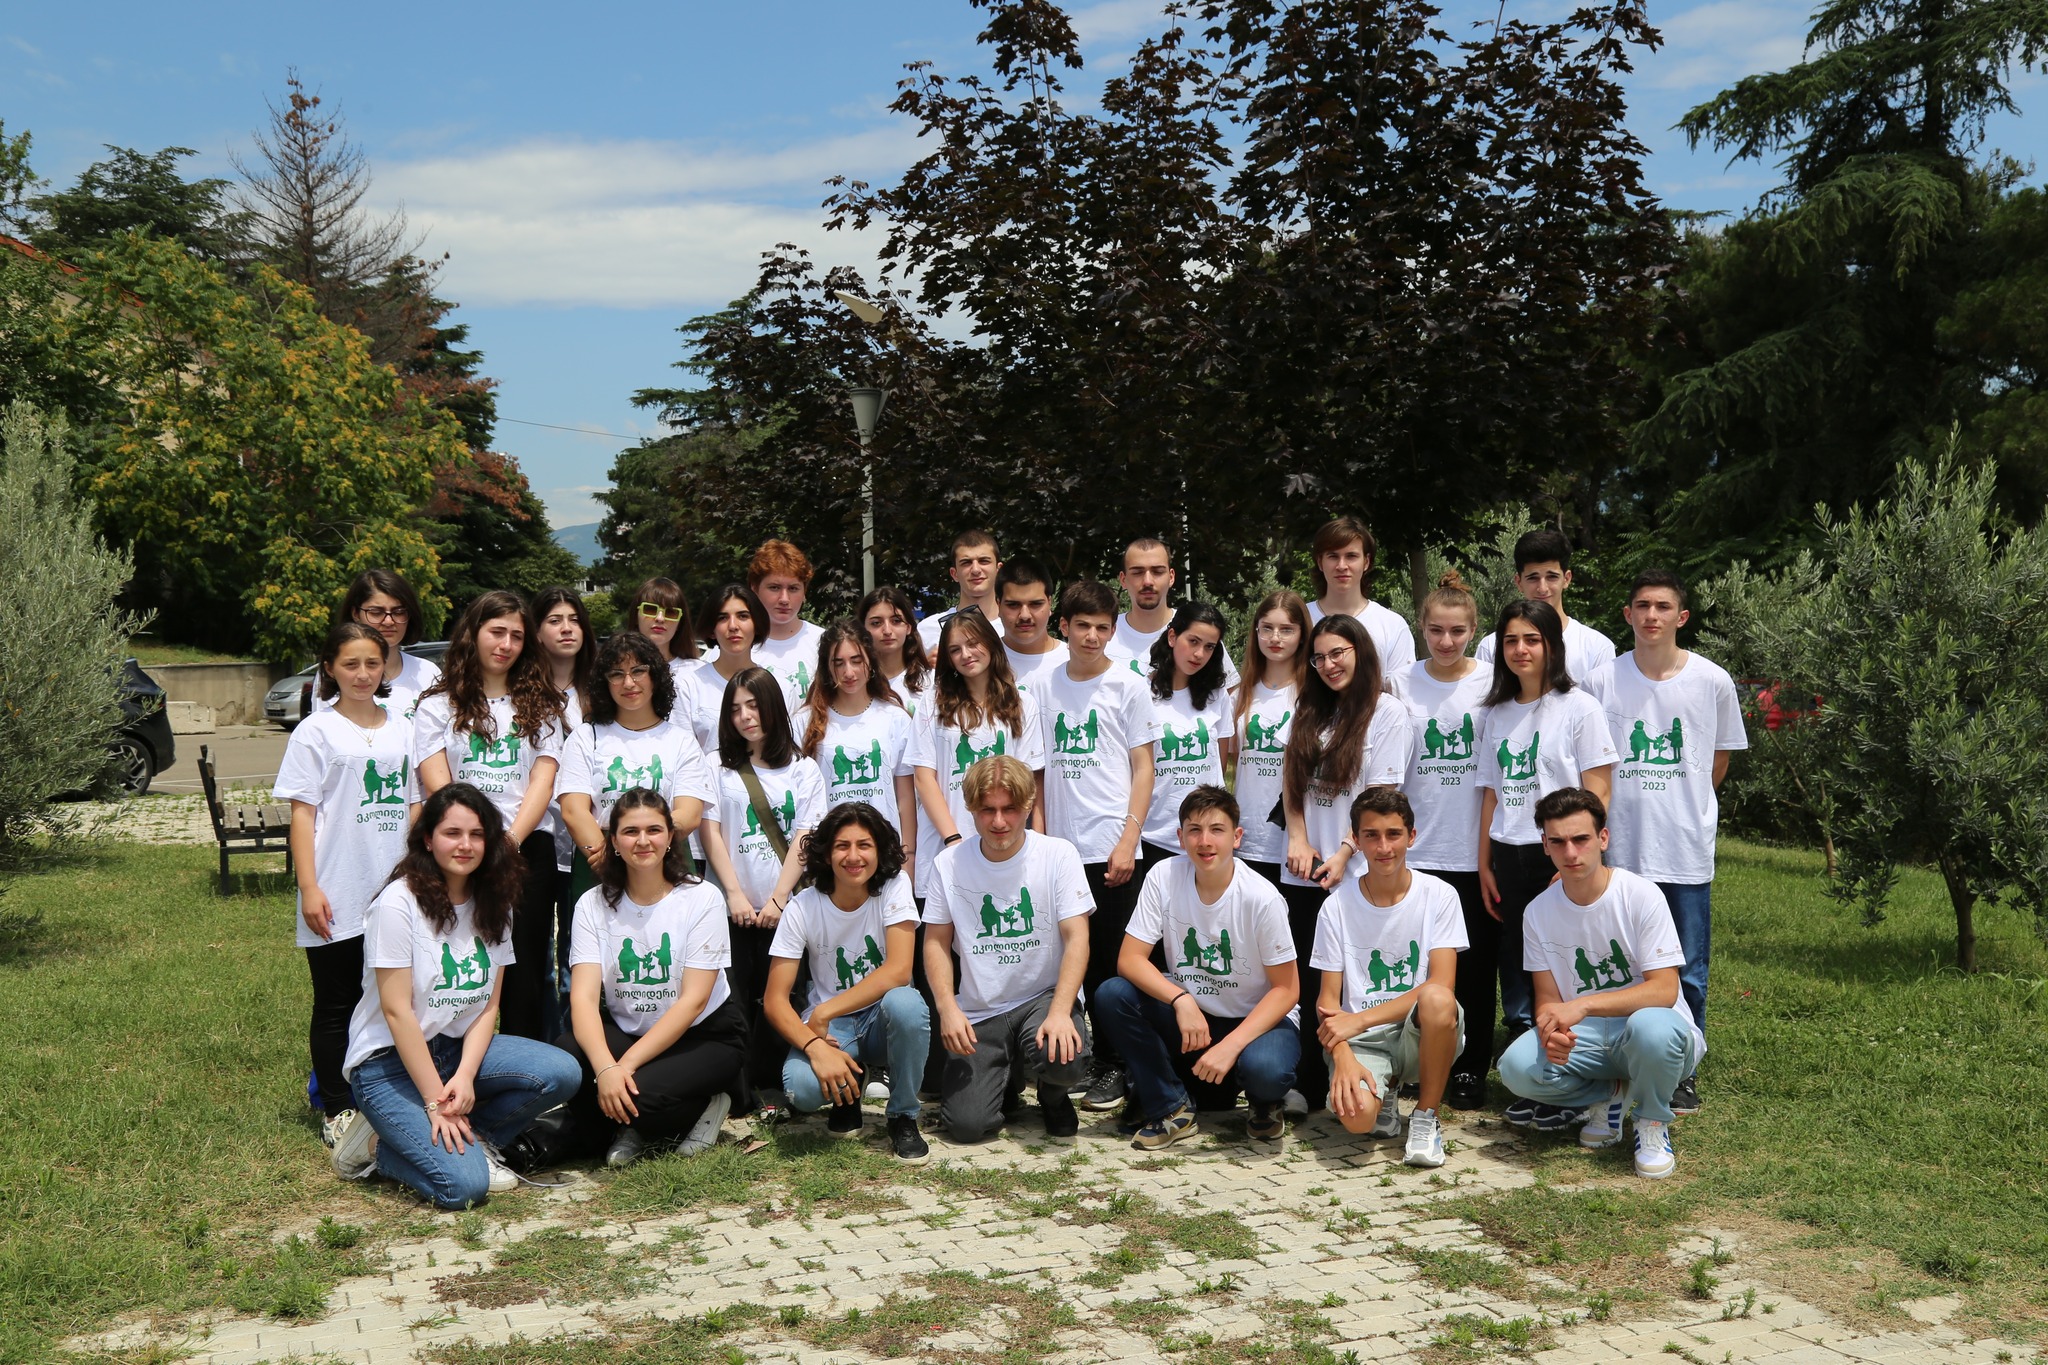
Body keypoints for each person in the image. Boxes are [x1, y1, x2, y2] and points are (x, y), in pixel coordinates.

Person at [329, 783, 581, 1208]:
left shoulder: (496, 901)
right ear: (428, 839)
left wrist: (464, 1076)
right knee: (464, 1187)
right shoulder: (398, 904)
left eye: (477, 834)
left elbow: (488, 1005)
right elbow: (396, 1012)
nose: (465, 845)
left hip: (455, 1049)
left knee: (562, 1072)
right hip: (388, 1063)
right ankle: (373, 1147)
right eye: (452, 833)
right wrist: (434, 1101)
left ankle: (471, 1138)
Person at [1582, 570, 1746, 1117]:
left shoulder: (1712, 681)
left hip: (1683, 849)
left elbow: (1716, 763)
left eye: (1663, 606)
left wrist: (1682, 804)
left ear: (1682, 616)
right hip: (1620, 848)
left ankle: (1682, 1069)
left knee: (1688, 967)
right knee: (1620, 963)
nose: (1651, 616)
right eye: (1642, 606)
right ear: (1627, 615)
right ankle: (1616, 1060)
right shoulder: (1601, 681)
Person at [1498, 787, 1700, 1180]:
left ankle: (1651, 1122)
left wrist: (1584, 1005)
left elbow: (1664, 991)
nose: (1571, 852)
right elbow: (1547, 999)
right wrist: (1551, 1031)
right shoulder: (1537, 912)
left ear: (1603, 838)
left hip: (1652, 1030)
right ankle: (1608, 1096)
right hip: (1588, 1036)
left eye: (1581, 839)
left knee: (1652, 1029)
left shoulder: (1641, 895)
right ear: (1545, 846)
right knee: (1515, 1067)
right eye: (1558, 842)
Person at [1476, 600, 1616, 1128]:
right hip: (1508, 852)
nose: (1520, 650)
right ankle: (1534, 1070)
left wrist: (1572, 853)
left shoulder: (1580, 708)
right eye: (1511, 640)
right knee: (1518, 962)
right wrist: (1484, 862)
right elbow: (1491, 794)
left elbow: (1598, 788)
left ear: (1552, 646)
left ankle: (1578, 1071)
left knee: (1564, 961)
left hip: (1557, 853)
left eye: (1532, 639)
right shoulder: (1495, 713)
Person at [1097, 787, 1300, 1149]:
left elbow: (1287, 990)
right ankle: (1171, 1108)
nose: (1205, 841)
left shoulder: (1261, 897)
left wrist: (1232, 1045)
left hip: (1255, 1020)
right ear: (1180, 837)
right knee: (1113, 994)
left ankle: (1264, 1102)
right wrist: (1181, 1000)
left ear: (1237, 837)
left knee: (1266, 1072)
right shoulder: (1163, 876)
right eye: (1194, 830)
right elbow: (1129, 959)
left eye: (1217, 830)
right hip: (1195, 1021)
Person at [277, 622, 414, 1149]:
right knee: (337, 1003)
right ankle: (337, 1109)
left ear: (384, 668)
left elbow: (417, 804)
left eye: (372, 663)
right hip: (337, 886)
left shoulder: (404, 727)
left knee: (396, 998)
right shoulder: (315, 731)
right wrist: (309, 887)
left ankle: (391, 1094)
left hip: (397, 888)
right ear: (330, 668)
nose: (362, 674)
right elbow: (302, 815)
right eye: (350, 664)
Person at [558, 788, 747, 1166]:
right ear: (613, 842)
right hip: (631, 1030)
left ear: (670, 837)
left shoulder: (702, 897)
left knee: (638, 1094)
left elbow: (694, 1001)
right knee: (567, 1062)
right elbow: (582, 999)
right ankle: (633, 1123)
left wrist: (621, 1068)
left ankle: (706, 1105)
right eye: (630, 832)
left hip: (704, 1034)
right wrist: (605, 1067)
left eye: (654, 830)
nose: (643, 841)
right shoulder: (592, 904)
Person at [413, 590, 569, 1041]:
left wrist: (510, 841)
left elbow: (543, 780)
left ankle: (523, 1063)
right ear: (473, 633)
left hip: (525, 847)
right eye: (496, 632)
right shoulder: (438, 705)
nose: (506, 644)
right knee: (456, 962)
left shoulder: (542, 705)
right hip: (458, 848)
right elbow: (438, 784)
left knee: (526, 969)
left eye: (517, 636)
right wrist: (474, 840)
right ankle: (447, 1059)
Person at [922, 755, 1093, 1142]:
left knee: (1063, 1057)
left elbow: (1077, 938)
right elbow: (935, 942)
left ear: (1029, 805)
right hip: (982, 1008)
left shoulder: (1058, 854)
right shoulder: (948, 864)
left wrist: (1061, 1012)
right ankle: (1006, 1081)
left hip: (1042, 998)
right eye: (987, 810)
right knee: (967, 1127)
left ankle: (1052, 1095)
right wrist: (948, 1009)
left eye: (1010, 809)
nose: (999, 821)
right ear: (971, 808)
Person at [1281, 613, 1412, 1110]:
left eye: (1338, 653)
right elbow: (1291, 783)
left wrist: (1343, 853)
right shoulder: (1309, 709)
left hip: (1354, 873)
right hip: (1304, 870)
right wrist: (1298, 839)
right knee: (1307, 978)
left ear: (1361, 652)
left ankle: (1369, 1074)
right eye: (1319, 657)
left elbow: (1381, 801)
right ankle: (1307, 1081)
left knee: (1348, 981)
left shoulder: (1387, 713)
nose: (1329, 664)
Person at [1039, 579, 1158, 1114]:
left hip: (1112, 847)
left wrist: (1129, 839)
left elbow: (1143, 768)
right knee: (1071, 960)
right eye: (1082, 625)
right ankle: (1076, 1056)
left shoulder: (1128, 686)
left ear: (1113, 631)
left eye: (1103, 628)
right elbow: (1037, 769)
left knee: (1112, 963)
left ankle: (1117, 1064)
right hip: (1061, 849)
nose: (1092, 636)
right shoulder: (1042, 685)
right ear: (1063, 626)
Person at [766, 802, 932, 1162]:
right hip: (834, 1031)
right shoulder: (802, 906)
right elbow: (774, 1000)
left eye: (864, 845)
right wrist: (814, 1045)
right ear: (826, 853)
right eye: (842, 846)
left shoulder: (894, 886)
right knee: (801, 1091)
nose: (853, 856)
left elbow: (898, 970)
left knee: (906, 1004)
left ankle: (903, 1114)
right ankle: (848, 1092)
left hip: (881, 1017)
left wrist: (824, 1011)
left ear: (880, 851)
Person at [1311, 788, 1467, 1168]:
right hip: (1363, 1041)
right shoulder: (1335, 907)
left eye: (1393, 834)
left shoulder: (1441, 895)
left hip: (1420, 1031)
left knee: (1437, 999)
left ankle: (1426, 1117)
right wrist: (1342, 1056)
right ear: (1357, 840)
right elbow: (1327, 1002)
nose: (1383, 847)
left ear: (1411, 836)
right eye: (1371, 835)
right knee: (1357, 1118)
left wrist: (1360, 1019)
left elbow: (1442, 983)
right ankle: (1387, 1090)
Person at [1388, 572, 1495, 1111]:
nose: (1446, 641)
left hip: (1473, 849)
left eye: (1457, 631)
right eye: (1435, 631)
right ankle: (1415, 1061)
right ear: (1421, 629)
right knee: (1417, 966)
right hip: (1416, 848)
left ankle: (1470, 1067)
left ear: (1473, 631)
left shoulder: (1492, 682)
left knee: (1474, 967)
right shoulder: (1401, 682)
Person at [700, 666, 828, 1112]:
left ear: (772, 706)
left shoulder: (804, 769)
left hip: (787, 906)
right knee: (733, 999)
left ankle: (778, 1082)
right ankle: (737, 1090)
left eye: (753, 705)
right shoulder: (716, 766)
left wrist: (779, 897)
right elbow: (710, 831)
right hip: (730, 905)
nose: (745, 717)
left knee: (783, 995)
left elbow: (806, 835)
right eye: (735, 709)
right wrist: (734, 893)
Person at [1231, 588, 1313, 1113]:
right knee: (1253, 959)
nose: (1276, 638)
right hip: (1247, 846)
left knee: (1295, 959)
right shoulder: (1240, 691)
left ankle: (1296, 1076)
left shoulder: (1310, 692)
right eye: (1267, 628)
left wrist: (1299, 834)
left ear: (1302, 634)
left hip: (1292, 848)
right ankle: (1250, 1062)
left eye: (1287, 629)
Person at [557, 631, 716, 902]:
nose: (628, 682)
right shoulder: (586, 736)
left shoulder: (681, 741)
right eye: (616, 674)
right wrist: (612, 858)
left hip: (666, 860)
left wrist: (647, 846)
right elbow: (573, 810)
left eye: (638, 671)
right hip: (600, 864)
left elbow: (689, 814)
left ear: (655, 676)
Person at [907, 608, 1047, 897]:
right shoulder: (932, 704)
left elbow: (1029, 780)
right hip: (945, 848)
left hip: (1004, 847)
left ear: (990, 643)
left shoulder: (1023, 703)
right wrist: (954, 840)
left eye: (973, 644)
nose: (966, 655)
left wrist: (1035, 838)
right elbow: (923, 778)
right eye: (955, 650)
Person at [534, 584, 597, 1026]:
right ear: (537, 630)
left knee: (580, 949)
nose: (567, 628)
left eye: (574, 619)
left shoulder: (599, 689)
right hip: (536, 839)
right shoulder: (522, 690)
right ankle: (544, 1042)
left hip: (588, 845)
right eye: (554, 620)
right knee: (537, 952)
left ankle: (578, 1039)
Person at [799, 620, 916, 847]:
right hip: (828, 851)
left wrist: (908, 854)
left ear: (870, 661)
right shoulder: (804, 721)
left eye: (856, 660)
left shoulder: (895, 718)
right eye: (839, 663)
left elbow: (905, 799)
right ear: (827, 667)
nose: (849, 672)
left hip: (884, 850)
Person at [1140, 602, 1234, 868]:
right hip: (1154, 837)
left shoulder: (1218, 696)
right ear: (1172, 637)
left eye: (1209, 647)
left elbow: (1219, 766)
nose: (1199, 653)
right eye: (1193, 641)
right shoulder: (1140, 693)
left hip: (1207, 840)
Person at [1474, 529, 1615, 683]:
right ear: (1519, 582)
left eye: (1552, 577)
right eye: (1533, 578)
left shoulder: (1597, 647)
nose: (1542, 588)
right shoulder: (1491, 647)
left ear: (1566, 579)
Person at [1106, 537, 1241, 690]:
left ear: (1171, 577)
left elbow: (1230, 694)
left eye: (1157, 572)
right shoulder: (1102, 633)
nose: (1148, 581)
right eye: (1137, 572)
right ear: (1123, 579)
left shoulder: (1197, 629)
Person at [314, 569, 441, 720]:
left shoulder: (428, 673)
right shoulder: (340, 675)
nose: (389, 621)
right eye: (376, 612)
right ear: (356, 614)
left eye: (398, 612)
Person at [1304, 517, 1416, 674]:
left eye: (1351, 556)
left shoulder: (1392, 626)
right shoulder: (1299, 620)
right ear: (1320, 562)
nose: (1342, 566)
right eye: (1333, 556)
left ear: (1366, 562)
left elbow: (1400, 687)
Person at [678, 584, 777, 756]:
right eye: (722, 618)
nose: (733, 626)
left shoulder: (779, 685)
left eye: (743, 616)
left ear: (757, 624)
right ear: (711, 630)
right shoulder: (689, 686)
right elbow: (682, 753)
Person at [749, 539, 827, 700]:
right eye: (774, 587)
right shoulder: (734, 646)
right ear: (755, 589)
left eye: (793, 588)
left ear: (804, 591)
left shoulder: (826, 643)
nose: (784, 599)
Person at [995, 557, 1069, 696]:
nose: (1025, 615)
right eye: (1013, 605)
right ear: (998, 605)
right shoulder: (981, 662)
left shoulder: (1073, 661)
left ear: (1050, 603)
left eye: (1035, 604)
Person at [917, 530, 1001, 651]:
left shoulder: (1017, 629)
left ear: (998, 569)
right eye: (966, 563)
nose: (976, 570)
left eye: (984, 561)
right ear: (954, 574)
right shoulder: (928, 631)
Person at [861, 585, 936, 719]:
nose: (887, 631)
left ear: (908, 627)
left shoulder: (931, 683)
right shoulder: (854, 685)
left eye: (896, 621)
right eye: (876, 623)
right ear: (862, 629)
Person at [628, 576, 696, 677]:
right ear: (635, 617)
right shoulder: (615, 670)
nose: (660, 618)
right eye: (650, 609)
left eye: (670, 612)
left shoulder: (697, 673)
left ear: (679, 623)